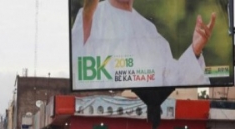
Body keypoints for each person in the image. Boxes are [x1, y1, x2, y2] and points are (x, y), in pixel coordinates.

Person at [71, 0, 216, 89]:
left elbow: (173, 80)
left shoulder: (149, 30)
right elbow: (77, 67)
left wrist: (195, 50)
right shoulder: (90, 18)